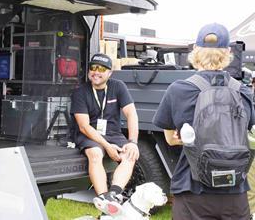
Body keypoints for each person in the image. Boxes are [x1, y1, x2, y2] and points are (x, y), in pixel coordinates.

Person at [153, 23, 255, 220]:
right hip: (234, 192)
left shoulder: (179, 90)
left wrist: (187, 137)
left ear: (196, 51)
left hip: (193, 189)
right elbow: (247, 131)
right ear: (227, 53)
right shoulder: (243, 91)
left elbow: (170, 140)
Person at [70, 53, 139, 216]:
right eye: (93, 68)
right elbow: (84, 126)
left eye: (101, 69)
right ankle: (103, 199)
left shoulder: (118, 86)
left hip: (113, 133)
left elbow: (131, 114)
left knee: (131, 154)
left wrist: (132, 142)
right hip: (89, 134)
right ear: (88, 71)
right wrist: (107, 147)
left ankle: (113, 195)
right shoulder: (80, 92)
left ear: (110, 73)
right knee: (95, 153)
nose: (96, 72)